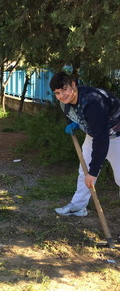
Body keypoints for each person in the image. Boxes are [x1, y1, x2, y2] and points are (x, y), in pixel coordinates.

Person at [49, 71, 120, 216]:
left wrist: (94, 172)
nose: (62, 95)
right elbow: (71, 115)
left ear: (73, 85)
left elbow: (101, 139)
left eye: (64, 90)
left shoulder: (92, 103)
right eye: (57, 93)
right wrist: (74, 124)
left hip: (116, 136)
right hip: (95, 134)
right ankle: (78, 206)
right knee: (84, 171)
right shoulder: (65, 103)